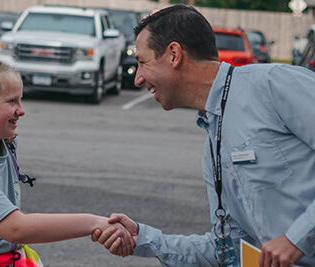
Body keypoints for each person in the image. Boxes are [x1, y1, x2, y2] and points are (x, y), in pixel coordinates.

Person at [92, 4, 315, 267]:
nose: (138, 79)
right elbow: (227, 250)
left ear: (174, 55)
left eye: (142, 62)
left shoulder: (273, 84)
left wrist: (296, 238)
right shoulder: (214, 143)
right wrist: (144, 238)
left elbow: (290, 243)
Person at [0, 52, 134, 266]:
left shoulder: (6, 144)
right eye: (12, 101)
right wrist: (94, 222)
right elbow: (15, 228)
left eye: (20, 100)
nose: (21, 110)